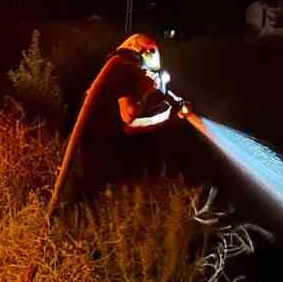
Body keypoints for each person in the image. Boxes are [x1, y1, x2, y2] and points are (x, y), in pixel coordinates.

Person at [71, 33, 192, 197]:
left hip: (94, 144)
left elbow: (130, 127)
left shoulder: (116, 68)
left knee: (93, 194)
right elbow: (129, 115)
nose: (146, 75)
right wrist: (149, 91)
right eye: (146, 71)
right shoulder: (123, 68)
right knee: (98, 195)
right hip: (98, 146)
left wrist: (167, 116)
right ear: (143, 54)